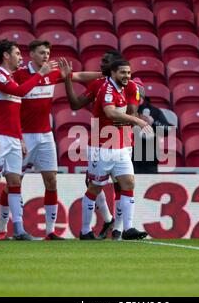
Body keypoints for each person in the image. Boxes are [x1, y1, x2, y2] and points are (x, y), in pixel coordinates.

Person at [0, 40, 102, 240]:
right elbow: (11, 102)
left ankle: (50, 232)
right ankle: (2, 230)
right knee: (11, 183)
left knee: (51, 180)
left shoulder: (50, 73)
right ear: (31, 54)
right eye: (42, 52)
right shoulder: (16, 75)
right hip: (21, 135)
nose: (46, 56)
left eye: (48, 52)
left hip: (45, 135)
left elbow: (77, 76)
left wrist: (105, 74)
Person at [60, 58, 152, 240]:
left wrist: (127, 117)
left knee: (128, 184)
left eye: (128, 72)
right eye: (122, 72)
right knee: (94, 187)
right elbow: (110, 112)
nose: (126, 76)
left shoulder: (131, 86)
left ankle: (127, 228)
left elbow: (131, 109)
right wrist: (137, 120)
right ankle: (85, 230)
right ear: (113, 73)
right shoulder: (106, 88)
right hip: (101, 146)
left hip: (122, 145)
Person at [0, 39, 52, 241]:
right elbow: (20, 92)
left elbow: (15, 112)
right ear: (6, 55)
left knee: (15, 182)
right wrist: (40, 74)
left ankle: (19, 229)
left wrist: (20, 137)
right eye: (16, 53)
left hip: (14, 138)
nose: (20, 57)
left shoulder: (12, 77)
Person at [131, 78, 173, 174]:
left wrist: (153, 122)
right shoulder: (125, 110)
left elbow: (168, 130)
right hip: (128, 159)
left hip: (149, 160)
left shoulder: (154, 111)